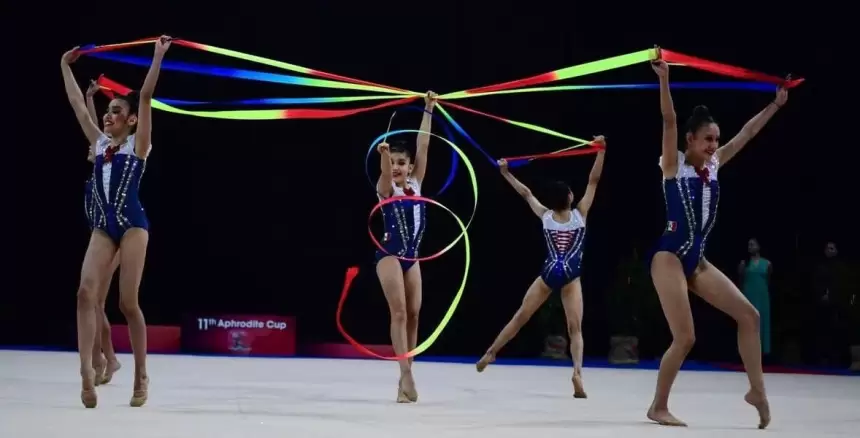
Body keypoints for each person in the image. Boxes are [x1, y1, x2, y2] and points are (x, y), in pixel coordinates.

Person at [647, 53, 788, 428]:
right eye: (707, 139)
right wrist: (664, 80)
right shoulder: (672, 164)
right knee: (686, 336)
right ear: (690, 140)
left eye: (716, 139)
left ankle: (757, 390)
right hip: (670, 256)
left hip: (699, 260)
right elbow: (668, 119)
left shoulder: (714, 164)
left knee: (749, 316)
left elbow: (748, 133)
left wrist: (775, 103)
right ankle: (658, 406)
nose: (713, 145)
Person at [61, 35, 171, 408]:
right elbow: (78, 104)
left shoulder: (138, 147)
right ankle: (86, 373)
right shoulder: (98, 145)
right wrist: (64, 64)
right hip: (104, 227)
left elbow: (144, 97)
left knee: (127, 303)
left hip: (133, 226)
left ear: (131, 120)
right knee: (85, 295)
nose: (108, 116)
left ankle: (141, 373)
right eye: (107, 112)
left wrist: (157, 55)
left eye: (115, 111)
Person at [475, 137, 606, 399]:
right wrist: (601, 151)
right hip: (571, 276)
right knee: (575, 329)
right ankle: (578, 372)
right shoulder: (580, 214)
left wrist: (506, 173)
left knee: (520, 317)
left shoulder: (545, 216)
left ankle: (491, 352)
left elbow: (525, 193)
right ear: (569, 197)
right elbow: (593, 181)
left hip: (548, 273)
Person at [374, 91, 437, 403]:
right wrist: (384, 155)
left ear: (411, 167)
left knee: (414, 314)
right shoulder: (385, 189)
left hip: (413, 258)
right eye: (394, 162)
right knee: (398, 312)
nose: (397, 167)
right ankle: (406, 374)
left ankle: (405, 380)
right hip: (388, 255)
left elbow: (424, 144)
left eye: (402, 163)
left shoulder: (417, 184)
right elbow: (385, 174)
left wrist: (428, 107)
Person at [84, 79, 122, 386]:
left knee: (96, 302)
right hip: (102, 235)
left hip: (118, 238)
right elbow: (97, 129)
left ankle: (105, 359)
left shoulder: (112, 162)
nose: (91, 145)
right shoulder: (95, 176)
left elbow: (101, 133)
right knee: (95, 302)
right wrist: (89, 97)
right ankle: (108, 358)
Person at [738, 238, 772, 356]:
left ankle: (763, 352)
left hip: (762, 296)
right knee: (749, 321)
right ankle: (747, 350)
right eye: (749, 245)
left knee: (762, 321)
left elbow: (769, 280)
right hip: (748, 294)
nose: (750, 247)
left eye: (752, 244)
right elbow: (741, 281)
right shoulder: (744, 263)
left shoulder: (767, 263)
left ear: (759, 246)